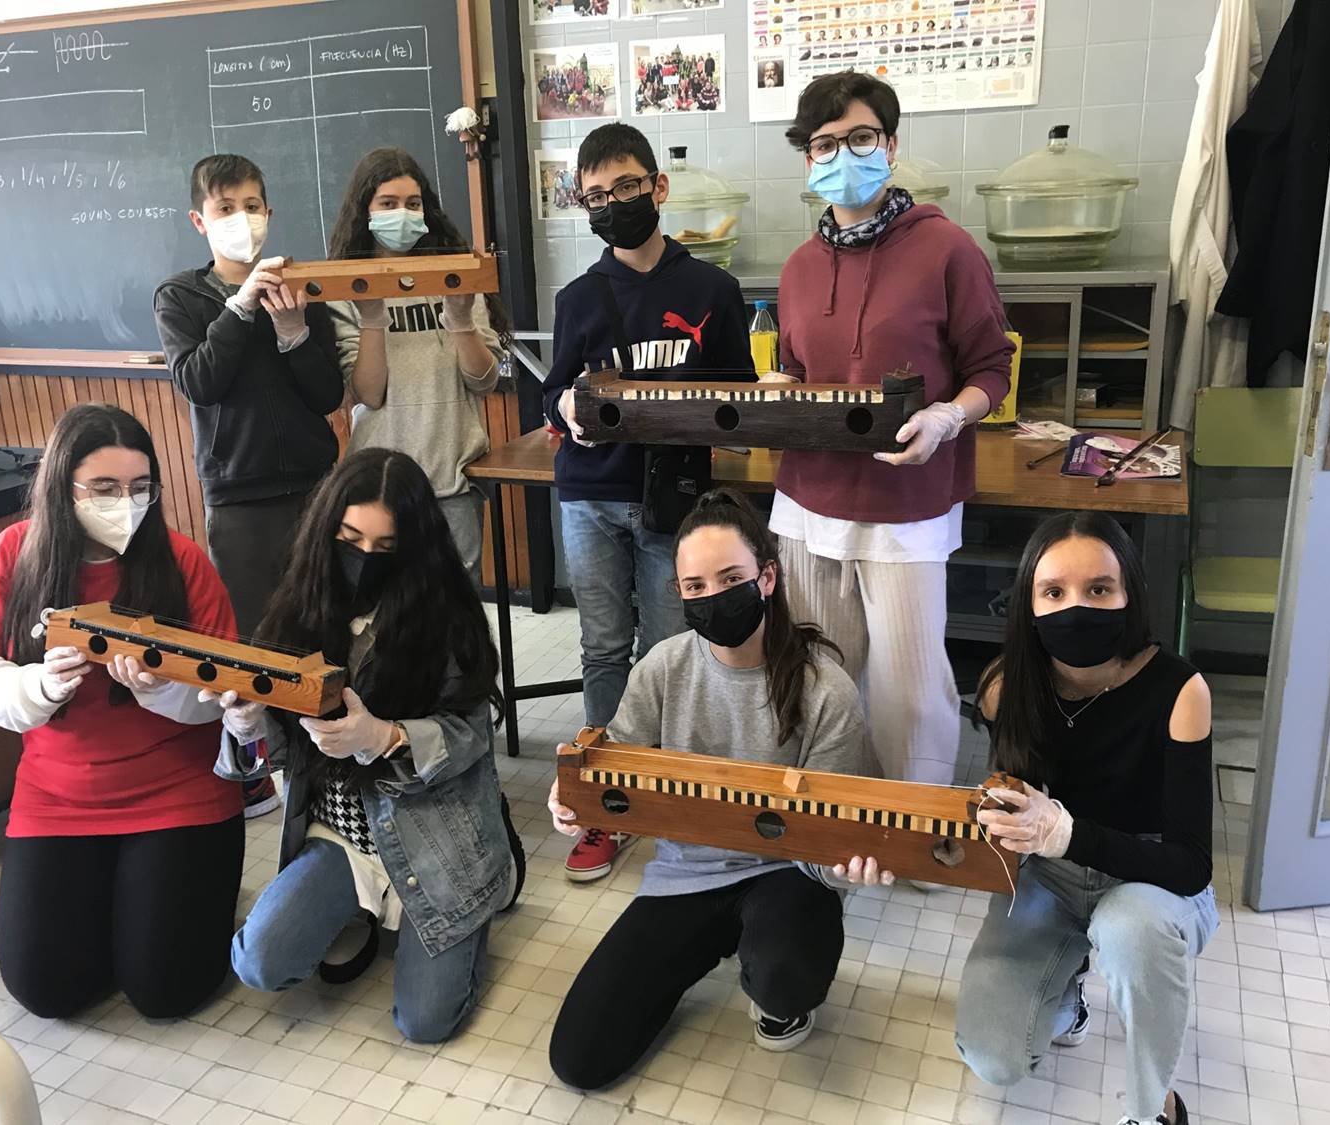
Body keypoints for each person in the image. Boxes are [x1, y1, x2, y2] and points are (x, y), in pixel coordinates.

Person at [546, 490, 892, 1088]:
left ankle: (772, 979)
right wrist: (576, 804)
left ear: (768, 577)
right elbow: (619, 772)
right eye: (695, 586)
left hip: (788, 874)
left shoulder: (824, 688)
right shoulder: (661, 667)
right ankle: (717, 947)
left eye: (731, 577)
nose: (713, 596)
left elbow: (838, 829)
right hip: (687, 872)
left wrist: (846, 870)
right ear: (678, 593)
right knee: (580, 1059)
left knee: (786, 978)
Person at [0, 404, 244, 1019]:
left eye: (139, 488)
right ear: (62, 487)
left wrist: (159, 687)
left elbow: (227, 701)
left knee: (166, 991)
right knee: (47, 991)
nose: (124, 503)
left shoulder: (182, 562)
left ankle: (161, 897)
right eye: (103, 489)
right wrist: (38, 687)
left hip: (176, 790)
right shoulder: (14, 554)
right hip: (57, 794)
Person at [208, 449, 526, 1041]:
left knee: (425, 1023)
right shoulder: (300, 607)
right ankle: (358, 907)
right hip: (342, 835)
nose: (363, 560)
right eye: (350, 538)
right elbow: (282, 751)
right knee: (260, 961)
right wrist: (249, 724)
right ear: (326, 530)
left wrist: (387, 737)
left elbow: (471, 733)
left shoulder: (447, 616)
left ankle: (487, 876)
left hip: (435, 835)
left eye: (385, 548)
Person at [770, 72, 1013, 788]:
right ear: (808, 159)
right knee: (824, 672)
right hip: (809, 503)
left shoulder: (947, 250)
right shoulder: (798, 268)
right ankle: (835, 803)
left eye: (860, 138)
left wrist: (947, 414)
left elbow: (991, 370)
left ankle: (915, 816)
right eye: (824, 143)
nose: (843, 154)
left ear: (891, 144)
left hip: (908, 507)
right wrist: (783, 393)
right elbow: (797, 367)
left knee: (910, 683)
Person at [542, 122, 754, 883]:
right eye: (595, 195)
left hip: (677, 505)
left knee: (673, 651)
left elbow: (740, 393)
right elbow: (552, 387)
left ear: (658, 188)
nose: (612, 204)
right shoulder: (578, 297)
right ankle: (607, 797)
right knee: (603, 647)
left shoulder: (713, 290)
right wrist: (562, 405)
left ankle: (673, 791)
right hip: (591, 496)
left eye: (626, 187)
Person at [954, 512, 1216, 1125]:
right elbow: (1006, 802)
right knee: (992, 1056)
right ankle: (1064, 995)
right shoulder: (1004, 686)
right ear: (1029, 603)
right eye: (1054, 592)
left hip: (1152, 881)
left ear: (1130, 594)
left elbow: (1191, 863)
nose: (1077, 607)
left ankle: (1156, 1106)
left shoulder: (1180, 690)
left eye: (1099, 589)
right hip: (1050, 874)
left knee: (1132, 934)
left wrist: (1067, 833)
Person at [154, 155, 344, 639]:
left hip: (314, 486)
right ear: (200, 221)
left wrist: (294, 334)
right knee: (257, 633)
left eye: (252, 205)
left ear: (269, 214)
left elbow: (327, 397)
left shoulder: (300, 287)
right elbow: (199, 382)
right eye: (225, 208)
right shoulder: (179, 297)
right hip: (238, 495)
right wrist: (238, 308)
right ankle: (261, 720)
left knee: (327, 620)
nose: (242, 218)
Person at [327, 148, 509, 583]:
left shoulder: (457, 276)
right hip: (379, 488)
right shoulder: (344, 288)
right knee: (378, 608)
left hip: (451, 484)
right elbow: (370, 394)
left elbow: (483, 382)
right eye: (387, 204)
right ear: (364, 211)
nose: (402, 214)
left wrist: (461, 319)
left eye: (413, 204)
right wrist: (372, 318)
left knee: (453, 616)